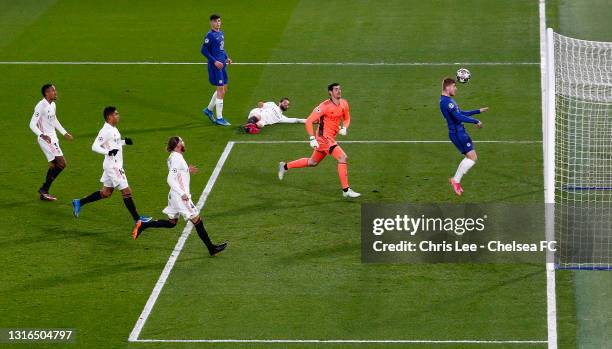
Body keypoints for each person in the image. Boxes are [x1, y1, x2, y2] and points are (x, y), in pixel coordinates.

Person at [133, 136, 228, 256]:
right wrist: (183, 193)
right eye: (182, 141)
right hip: (180, 196)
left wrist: (186, 170)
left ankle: (144, 224)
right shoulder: (177, 159)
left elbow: (177, 173)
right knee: (197, 221)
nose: (184, 142)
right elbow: (170, 179)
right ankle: (211, 248)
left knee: (172, 223)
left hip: (173, 195)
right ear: (178, 146)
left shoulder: (172, 157)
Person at [72, 106, 151, 232]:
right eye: (116, 114)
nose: (118, 116)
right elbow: (94, 146)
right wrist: (107, 152)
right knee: (127, 191)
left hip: (115, 165)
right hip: (113, 166)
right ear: (109, 117)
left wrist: (125, 142)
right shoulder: (105, 130)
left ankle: (79, 202)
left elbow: (115, 144)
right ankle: (138, 220)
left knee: (106, 193)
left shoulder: (113, 129)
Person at [278, 83, 360, 198]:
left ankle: (285, 166)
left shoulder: (344, 103)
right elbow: (309, 121)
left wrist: (345, 128)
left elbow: (347, 118)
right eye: (336, 89)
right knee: (342, 157)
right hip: (323, 138)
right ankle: (346, 190)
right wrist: (312, 138)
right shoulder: (324, 106)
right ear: (330, 92)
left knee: (313, 162)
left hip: (331, 138)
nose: (339, 91)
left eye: (340, 89)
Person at [439, 77, 489, 196]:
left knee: (470, 157)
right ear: (448, 87)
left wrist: (478, 111)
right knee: (472, 158)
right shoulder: (447, 103)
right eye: (454, 86)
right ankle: (456, 180)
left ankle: (456, 181)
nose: (456, 89)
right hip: (458, 133)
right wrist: (475, 121)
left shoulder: (447, 100)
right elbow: (459, 117)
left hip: (459, 132)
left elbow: (461, 113)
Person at [29, 84, 73, 201]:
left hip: (53, 139)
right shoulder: (40, 105)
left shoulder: (52, 104)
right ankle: (44, 189)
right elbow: (32, 124)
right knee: (62, 163)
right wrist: (42, 135)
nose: (55, 92)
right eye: (53, 91)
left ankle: (44, 193)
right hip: (46, 140)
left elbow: (54, 120)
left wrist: (64, 133)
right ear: (47, 93)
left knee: (54, 165)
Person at [201, 13, 232, 126]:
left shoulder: (221, 33)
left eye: (219, 21)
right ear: (211, 23)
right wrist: (214, 61)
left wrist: (226, 57)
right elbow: (203, 50)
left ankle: (208, 110)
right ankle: (219, 118)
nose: (217, 23)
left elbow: (221, 49)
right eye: (215, 21)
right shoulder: (210, 35)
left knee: (224, 89)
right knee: (220, 90)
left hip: (222, 64)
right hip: (215, 66)